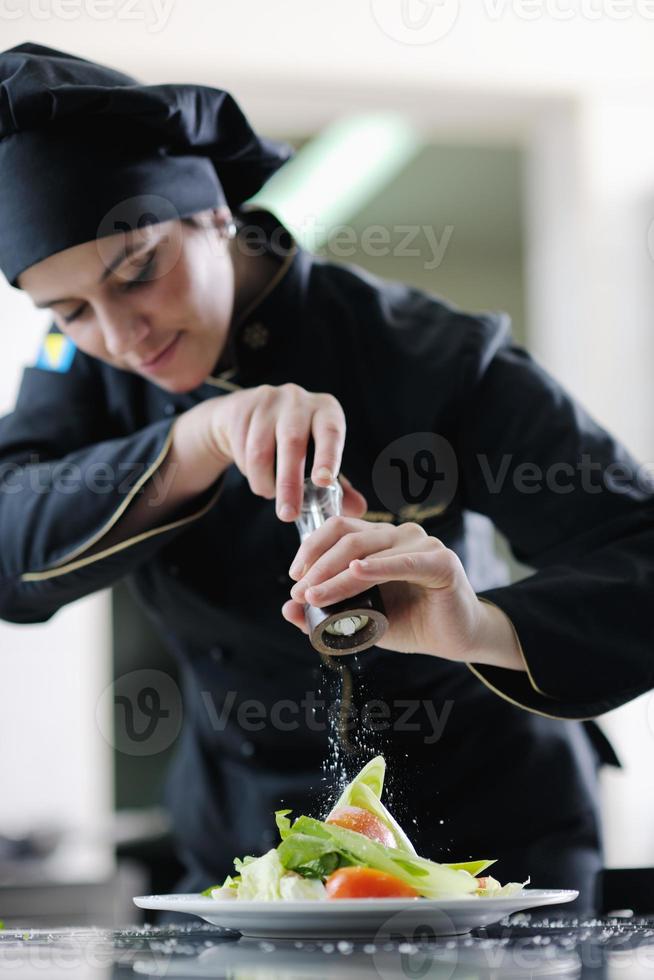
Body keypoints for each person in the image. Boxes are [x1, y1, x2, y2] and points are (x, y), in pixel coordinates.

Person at [0, 42, 652, 916]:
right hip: (243, 849)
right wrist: (194, 440)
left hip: (494, 835)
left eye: (139, 269)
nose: (121, 337)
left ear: (217, 215)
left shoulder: (431, 354)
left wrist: (481, 624)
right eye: (71, 311)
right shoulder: (82, 377)